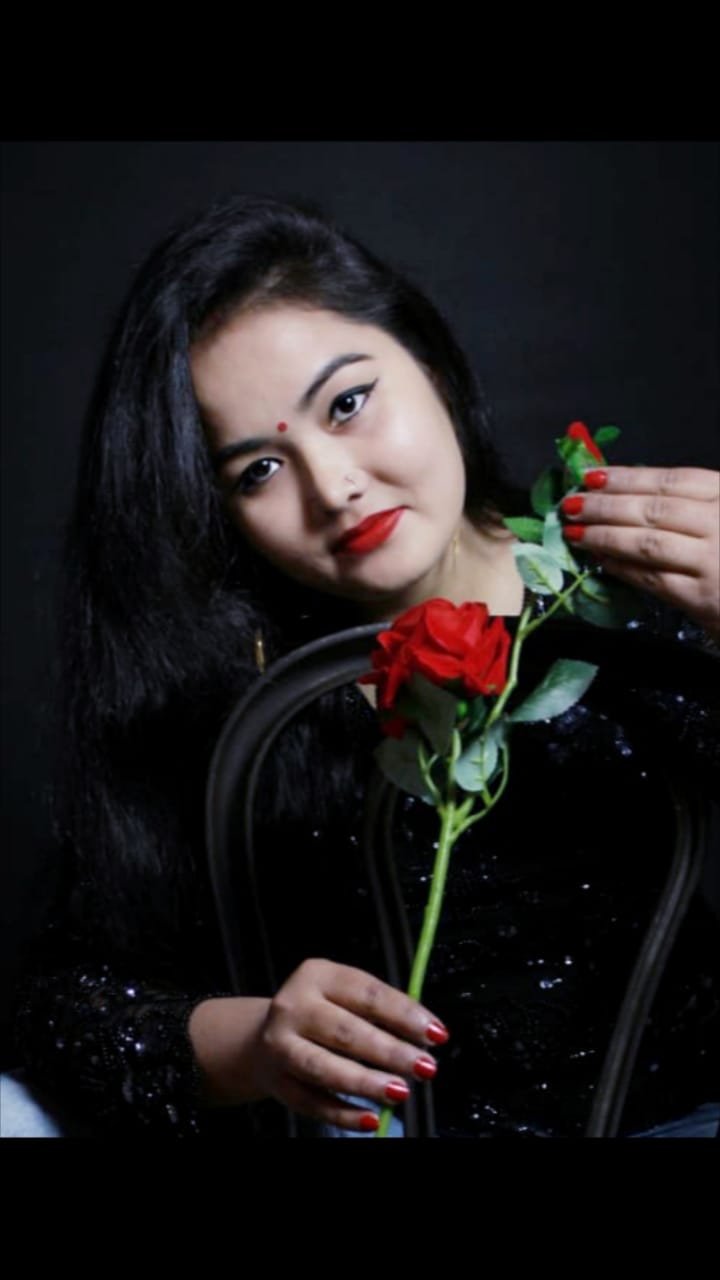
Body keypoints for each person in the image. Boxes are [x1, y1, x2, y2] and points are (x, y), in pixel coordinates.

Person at [8, 194, 720, 1139]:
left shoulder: (640, 586)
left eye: (347, 404)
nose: (333, 487)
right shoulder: (242, 693)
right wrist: (256, 1041)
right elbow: (63, 1002)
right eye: (258, 471)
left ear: (430, 362)